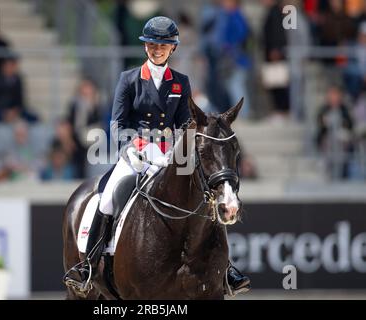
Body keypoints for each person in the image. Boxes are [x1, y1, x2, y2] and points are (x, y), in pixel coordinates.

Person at [64, 16, 250, 295]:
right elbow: (117, 124)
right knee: (109, 195)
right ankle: (87, 266)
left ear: (172, 48)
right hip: (137, 153)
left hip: (172, 155)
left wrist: (175, 146)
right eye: (152, 44)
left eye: (163, 44)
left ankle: (227, 269)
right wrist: (136, 147)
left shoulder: (181, 82)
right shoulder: (128, 80)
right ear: (145, 47)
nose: (157, 49)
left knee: (207, 201)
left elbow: (188, 125)